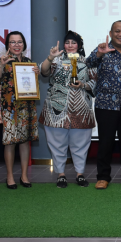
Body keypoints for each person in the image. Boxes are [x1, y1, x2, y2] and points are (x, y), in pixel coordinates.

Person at [85, 20, 121, 190]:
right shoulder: (103, 50)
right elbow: (88, 64)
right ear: (111, 33)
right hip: (105, 105)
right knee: (105, 142)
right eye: (117, 31)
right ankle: (103, 177)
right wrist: (99, 53)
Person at [39, 31, 96, 188]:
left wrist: (83, 85)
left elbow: (94, 83)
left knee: (81, 144)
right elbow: (43, 72)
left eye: (74, 42)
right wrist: (50, 57)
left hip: (81, 109)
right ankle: (61, 175)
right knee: (57, 143)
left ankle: (80, 174)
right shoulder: (55, 60)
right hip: (56, 109)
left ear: (79, 45)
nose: (70, 45)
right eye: (67, 42)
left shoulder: (87, 62)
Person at [0, 31, 39, 189]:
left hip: (27, 106)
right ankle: (10, 176)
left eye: (19, 42)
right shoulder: (3, 61)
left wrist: (36, 74)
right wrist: (0, 65)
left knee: (25, 142)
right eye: (13, 42)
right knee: (10, 142)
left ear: (24, 44)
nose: (17, 45)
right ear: (7, 45)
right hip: (10, 108)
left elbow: (32, 85)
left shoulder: (28, 62)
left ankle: (24, 176)